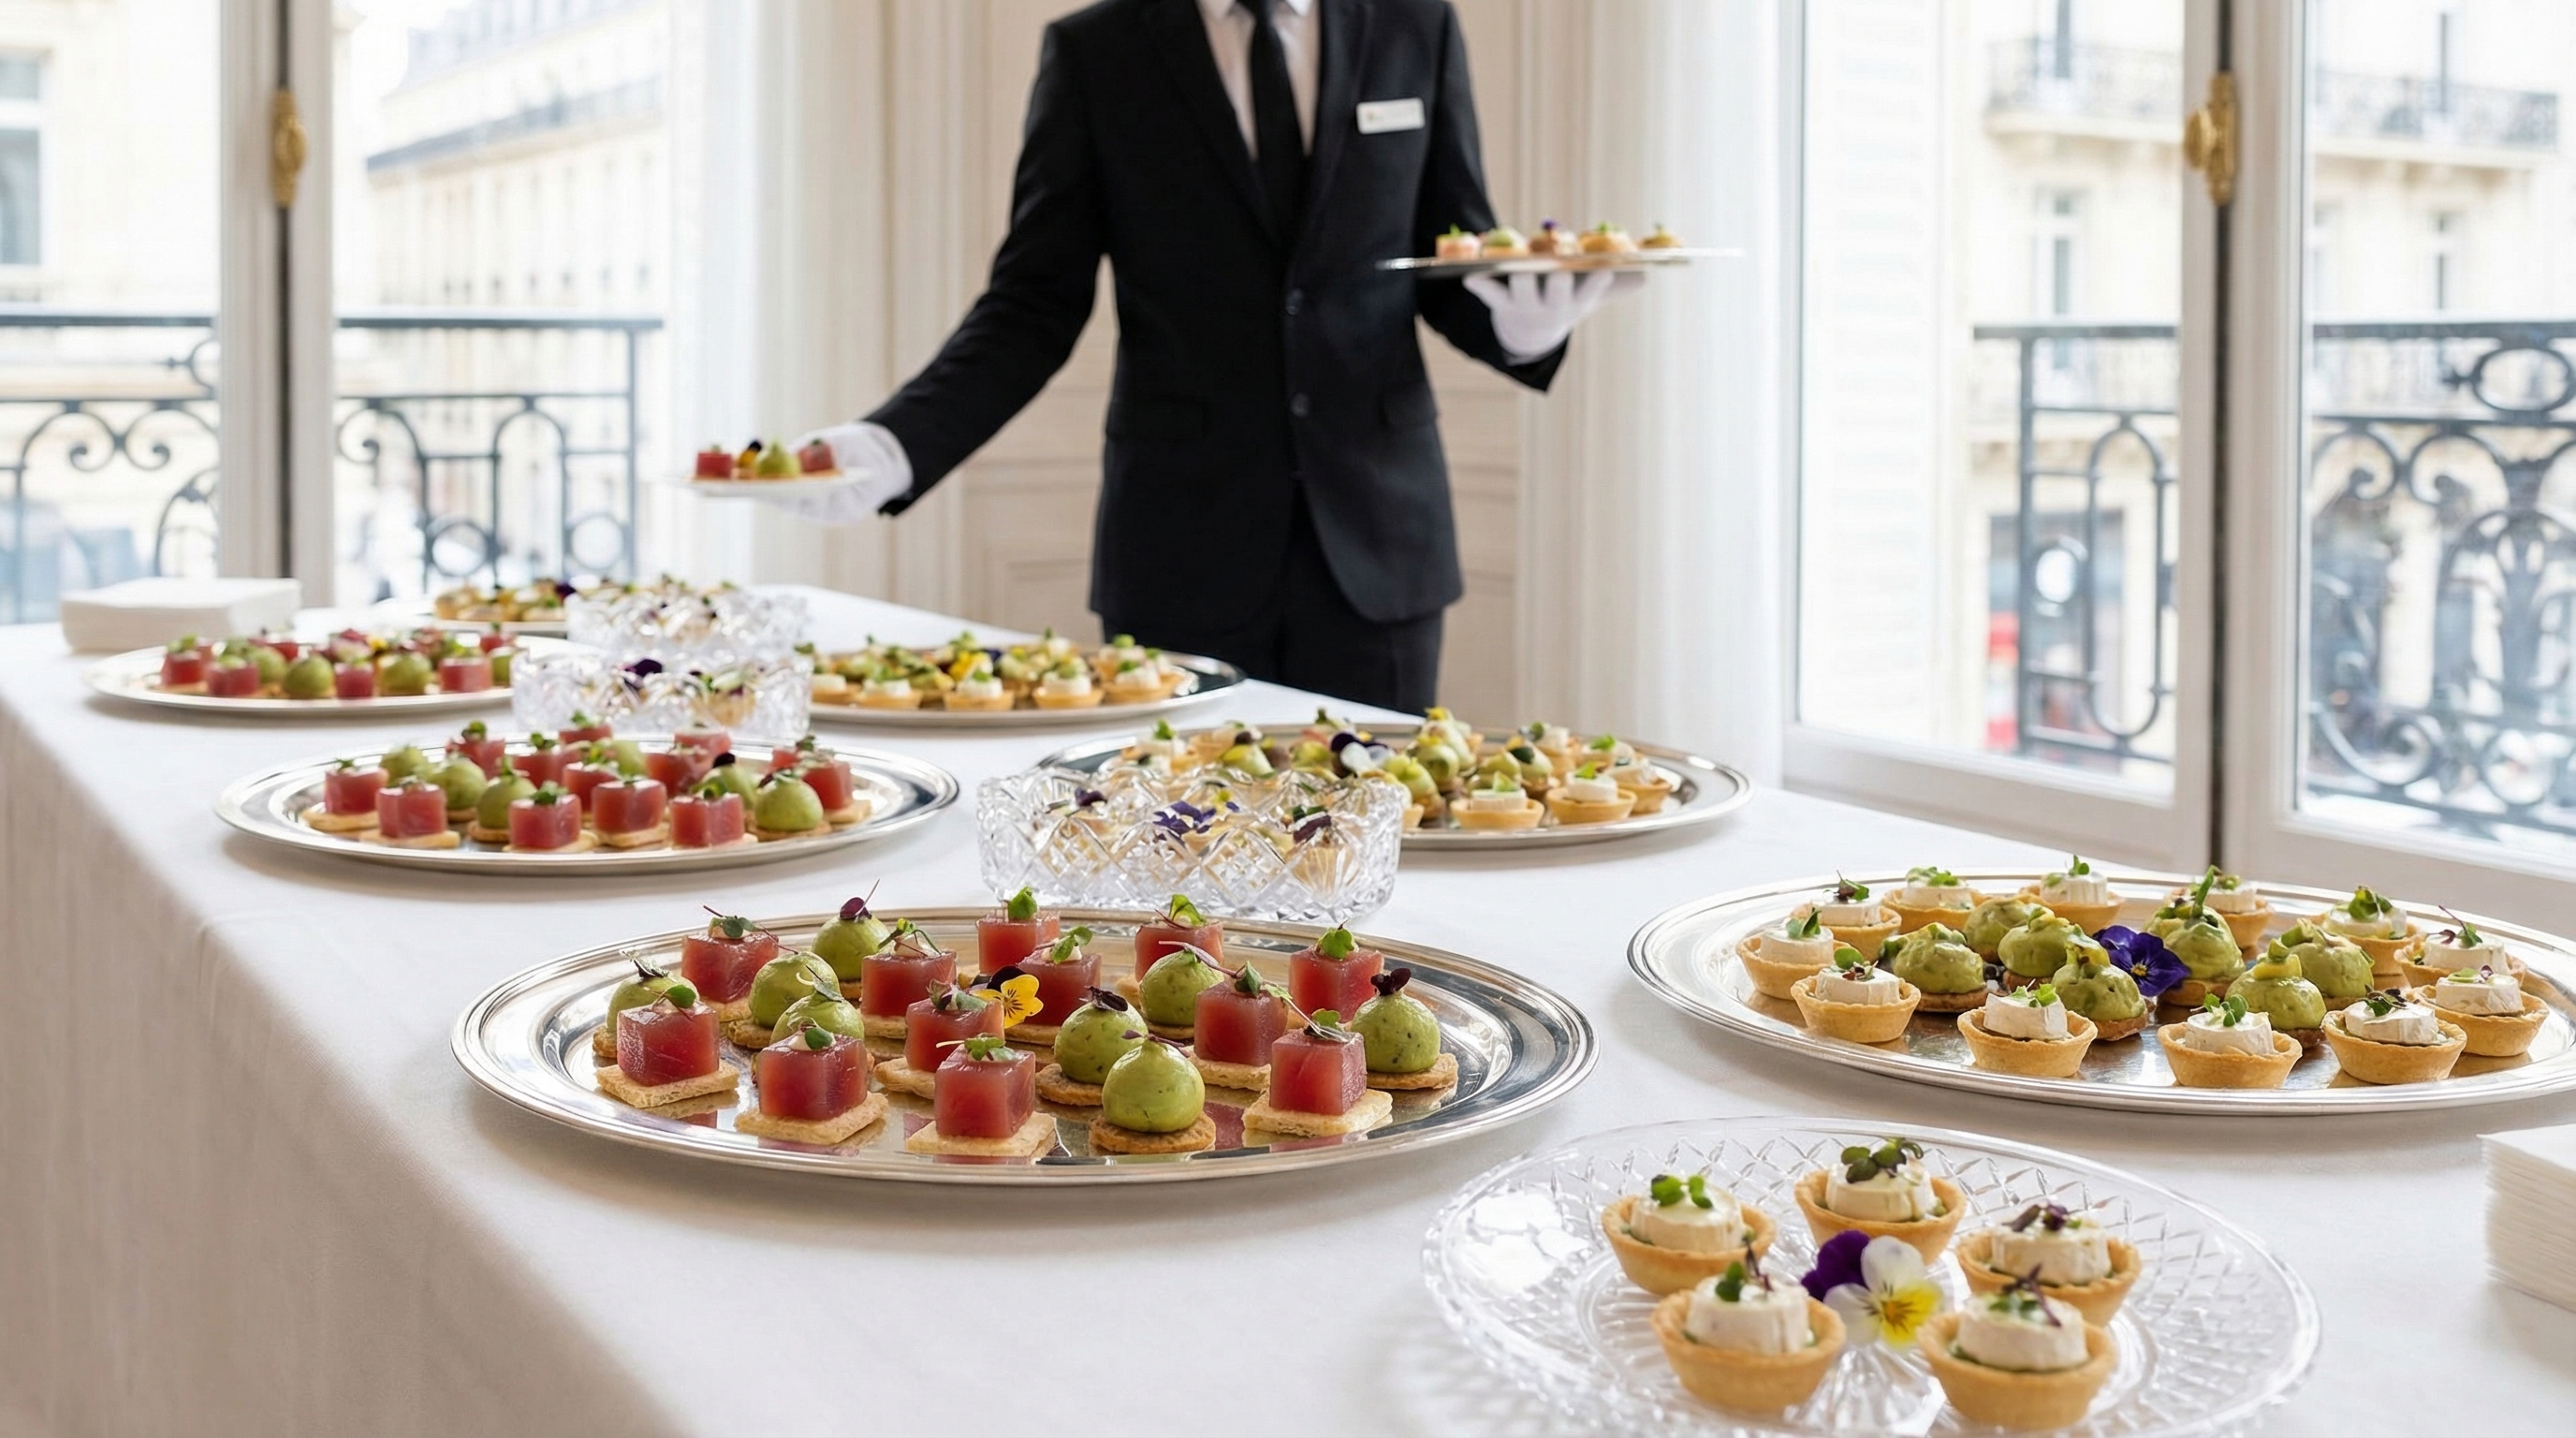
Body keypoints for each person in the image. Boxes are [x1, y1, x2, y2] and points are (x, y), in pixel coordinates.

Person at [780, 0, 1635, 711]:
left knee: (1384, 849)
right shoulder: (1097, 50)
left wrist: (1526, 334)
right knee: (1180, 861)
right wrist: (895, 446)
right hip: (1179, 552)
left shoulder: (1416, 23)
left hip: (1382, 550)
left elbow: (1450, 258)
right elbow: (1033, 302)